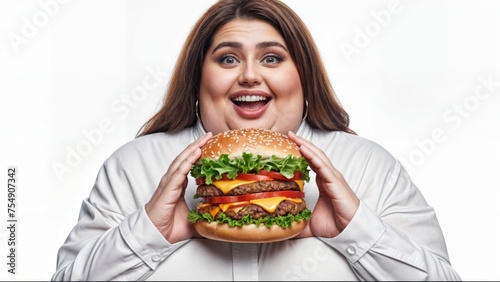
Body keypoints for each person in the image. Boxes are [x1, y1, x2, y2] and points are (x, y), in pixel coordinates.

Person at [52, 0, 461, 280]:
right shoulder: (133, 166)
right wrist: (147, 233)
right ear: (198, 78)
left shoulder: (370, 166)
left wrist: (358, 230)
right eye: (228, 58)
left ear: (303, 76)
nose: (249, 75)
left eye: (272, 58)